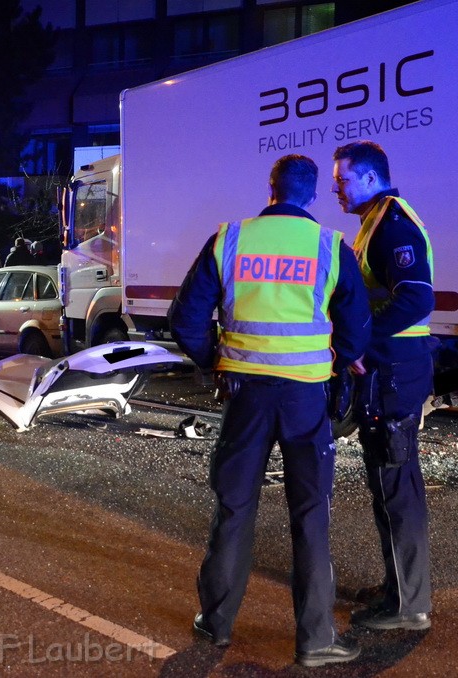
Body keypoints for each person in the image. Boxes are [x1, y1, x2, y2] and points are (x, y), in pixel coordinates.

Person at [169, 154, 370, 667]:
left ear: (271, 188)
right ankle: (316, 638)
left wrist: (215, 358)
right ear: (312, 196)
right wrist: (336, 364)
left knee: (234, 508)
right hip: (305, 398)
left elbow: (186, 318)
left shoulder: (230, 239)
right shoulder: (330, 246)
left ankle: (215, 624)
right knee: (309, 515)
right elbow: (355, 328)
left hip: (245, 396)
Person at [331, 140, 435, 632]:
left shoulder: (393, 226)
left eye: (343, 179)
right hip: (387, 372)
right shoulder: (374, 221)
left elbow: (416, 300)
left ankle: (409, 606)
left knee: (396, 484)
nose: (336, 187)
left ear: (370, 178)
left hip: (395, 372)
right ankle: (397, 588)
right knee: (386, 482)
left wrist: (358, 344)